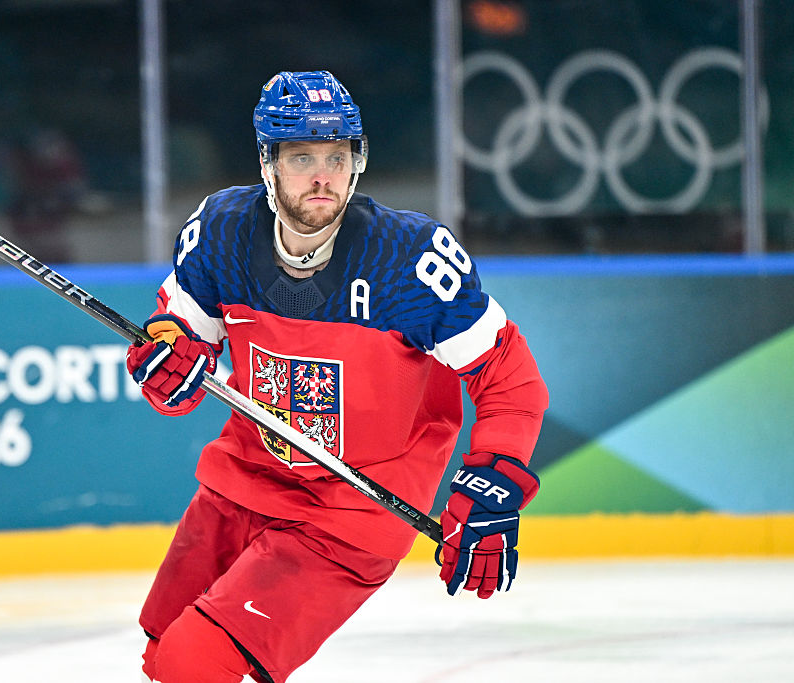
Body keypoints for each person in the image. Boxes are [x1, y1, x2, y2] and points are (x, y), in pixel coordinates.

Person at [125, 70, 548, 683]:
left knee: (197, 660)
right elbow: (177, 340)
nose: (323, 175)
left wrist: (496, 482)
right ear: (268, 163)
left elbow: (509, 377)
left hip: (350, 513)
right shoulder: (220, 233)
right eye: (302, 157)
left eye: (336, 155)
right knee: (163, 653)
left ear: (357, 161)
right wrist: (165, 361)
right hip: (244, 481)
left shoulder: (407, 260)